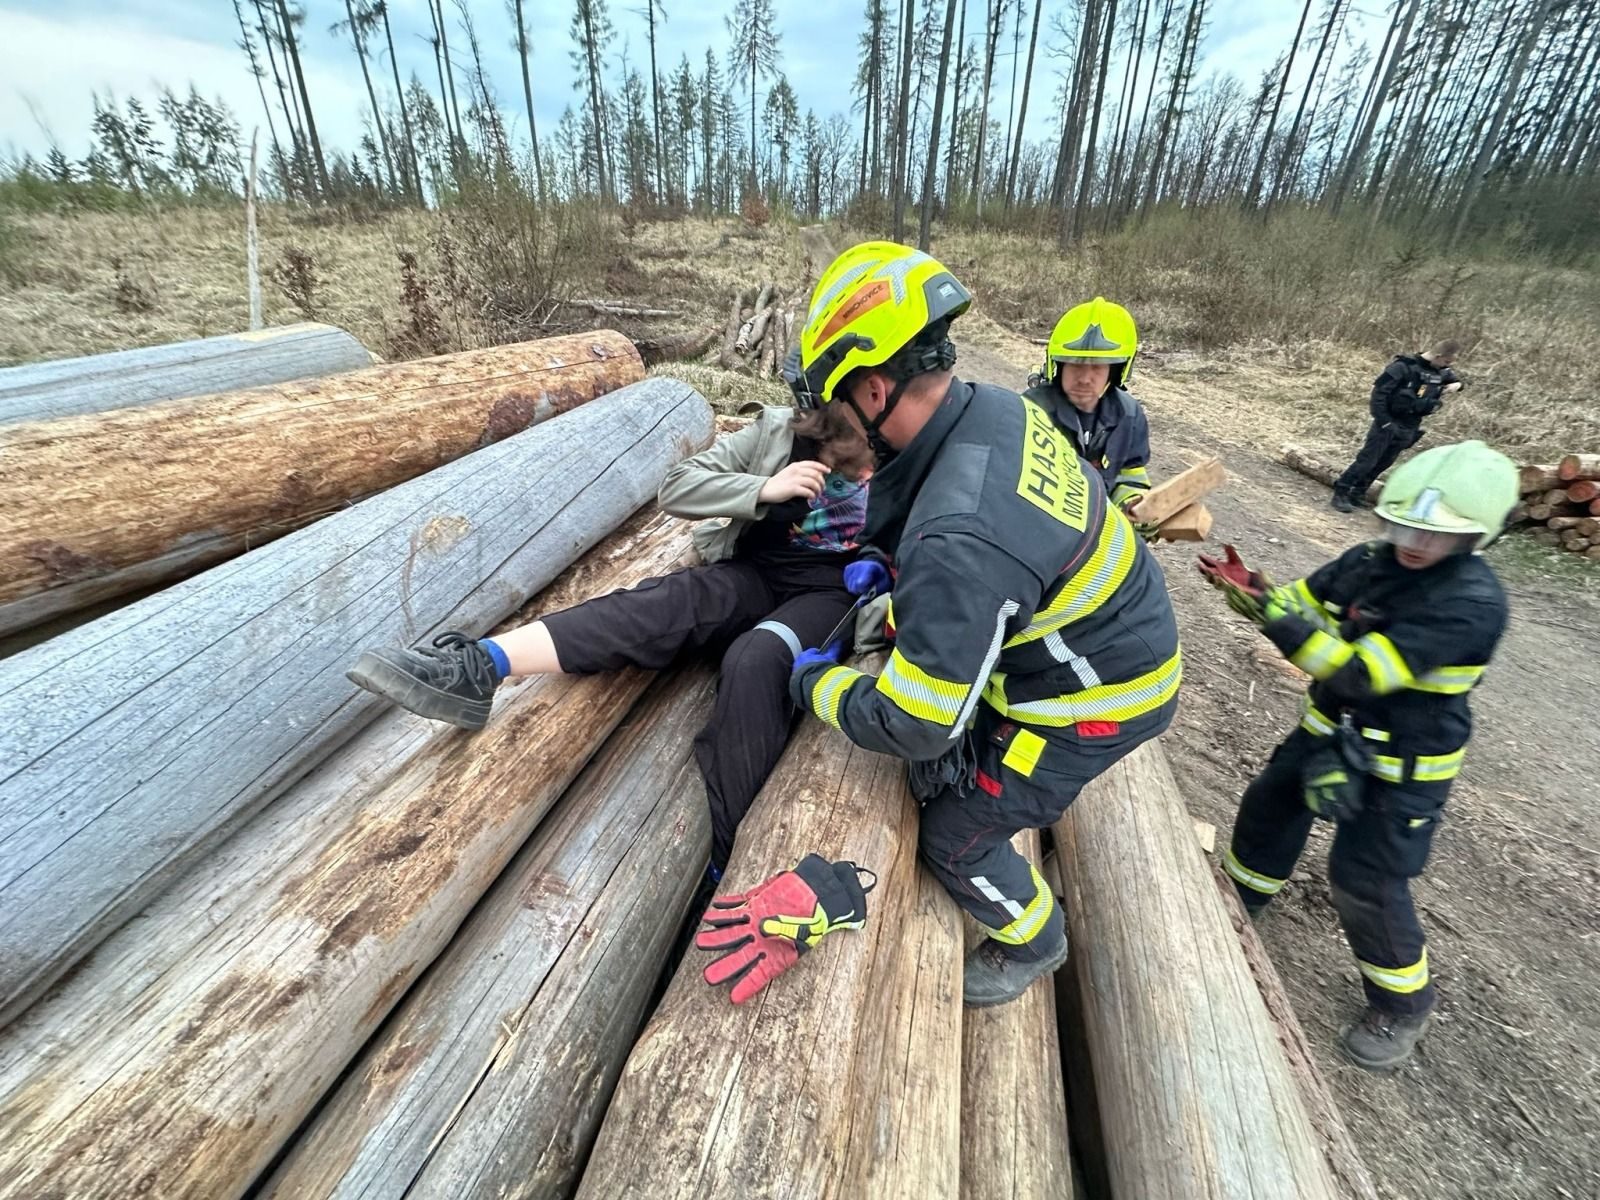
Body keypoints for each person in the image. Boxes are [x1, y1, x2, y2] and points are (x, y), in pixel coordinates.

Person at [781, 241, 1183, 1009]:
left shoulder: (959, 543)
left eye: (835, 414)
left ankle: (1034, 939)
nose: (834, 439)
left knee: (954, 835)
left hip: (1096, 698)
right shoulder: (997, 407)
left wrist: (816, 686)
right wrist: (897, 568)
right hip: (1107, 629)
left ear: (874, 389)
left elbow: (917, 722)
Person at [346, 398, 878, 877]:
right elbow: (679, 486)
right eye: (862, 392)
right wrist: (761, 488)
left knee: (755, 659)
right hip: (756, 570)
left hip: (832, 593)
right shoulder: (781, 431)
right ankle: (480, 667)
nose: (875, 406)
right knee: (668, 601)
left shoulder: (908, 456)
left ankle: (731, 864)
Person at [1201, 440, 1516, 1071]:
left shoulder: (1470, 605)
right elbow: (1303, 601)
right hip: (1331, 729)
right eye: (1405, 527)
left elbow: (1359, 674)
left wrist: (1276, 622)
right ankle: (1242, 900)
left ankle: (1402, 1003)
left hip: (1403, 764)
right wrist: (1255, 589)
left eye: (1436, 536)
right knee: (1270, 806)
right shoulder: (1369, 561)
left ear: (1477, 538)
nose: (1415, 544)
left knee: (1364, 877)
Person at [1022, 296, 1154, 516]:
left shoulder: (1129, 416)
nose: (1084, 379)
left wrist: (1133, 505)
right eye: (1075, 366)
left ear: (1115, 372)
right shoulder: (1032, 410)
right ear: (1058, 366)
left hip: (1098, 524)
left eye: (1097, 368)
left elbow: (1130, 476)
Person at [1332, 339, 1465, 513]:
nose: (1447, 367)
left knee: (1384, 462)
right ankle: (1341, 491)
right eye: (1446, 362)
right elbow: (1378, 396)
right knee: (1367, 461)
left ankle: (1358, 493)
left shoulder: (1440, 371)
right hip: (1388, 421)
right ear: (1438, 356)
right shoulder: (1403, 367)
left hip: (1411, 424)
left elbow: (1456, 381)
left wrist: (1457, 385)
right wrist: (1385, 422)